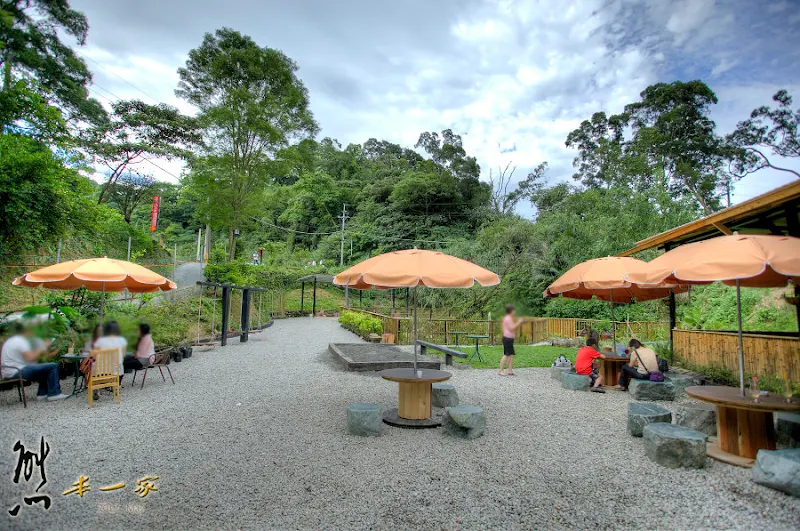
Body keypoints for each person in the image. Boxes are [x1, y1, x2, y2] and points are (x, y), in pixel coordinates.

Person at [1, 322, 69, 401]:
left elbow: (37, 358)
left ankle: (42, 393)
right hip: (16, 371)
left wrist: (55, 351)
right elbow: (30, 358)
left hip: (11, 370)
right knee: (53, 366)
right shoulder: (20, 341)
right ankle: (54, 393)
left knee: (45, 368)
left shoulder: (14, 340)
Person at [499, 304, 523, 376]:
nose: (514, 312)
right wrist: (519, 322)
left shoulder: (507, 318)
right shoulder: (508, 318)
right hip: (507, 339)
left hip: (508, 338)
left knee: (511, 355)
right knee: (506, 355)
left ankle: (509, 370)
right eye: (514, 310)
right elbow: (511, 328)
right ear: (511, 311)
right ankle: (501, 370)